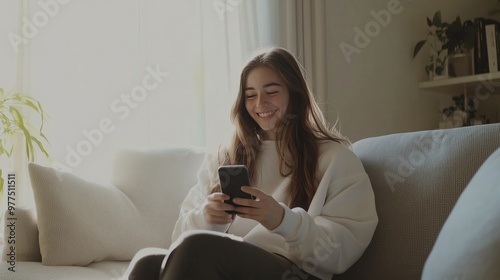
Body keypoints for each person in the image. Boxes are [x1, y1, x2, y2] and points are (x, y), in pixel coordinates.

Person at [126, 47, 378, 280]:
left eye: (271, 92)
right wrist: (207, 218)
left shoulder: (335, 158)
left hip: (294, 270)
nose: (260, 104)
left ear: (295, 94)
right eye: (250, 95)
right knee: (146, 262)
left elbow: (343, 249)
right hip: (230, 262)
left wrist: (283, 220)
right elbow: (177, 240)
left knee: (197, 247)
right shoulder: (225, 156)